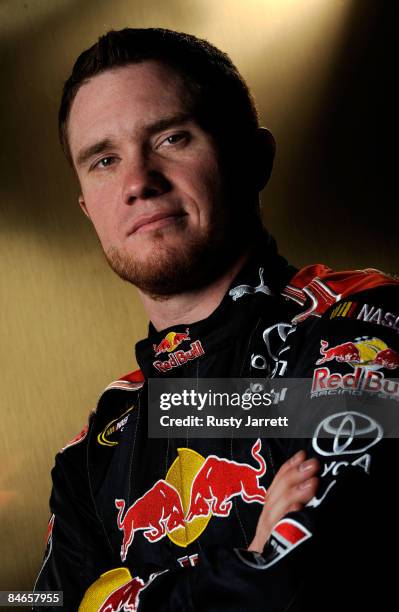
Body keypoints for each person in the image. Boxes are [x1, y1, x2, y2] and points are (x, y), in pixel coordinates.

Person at [34, 28, 399, 611]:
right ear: (87, 206)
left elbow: (318, 575)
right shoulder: (92, 454)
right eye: (104, 160)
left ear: (255, 158)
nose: (137, 182)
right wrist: (250, 559)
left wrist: (127, 595)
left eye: (173, 138)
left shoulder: (360, 320)